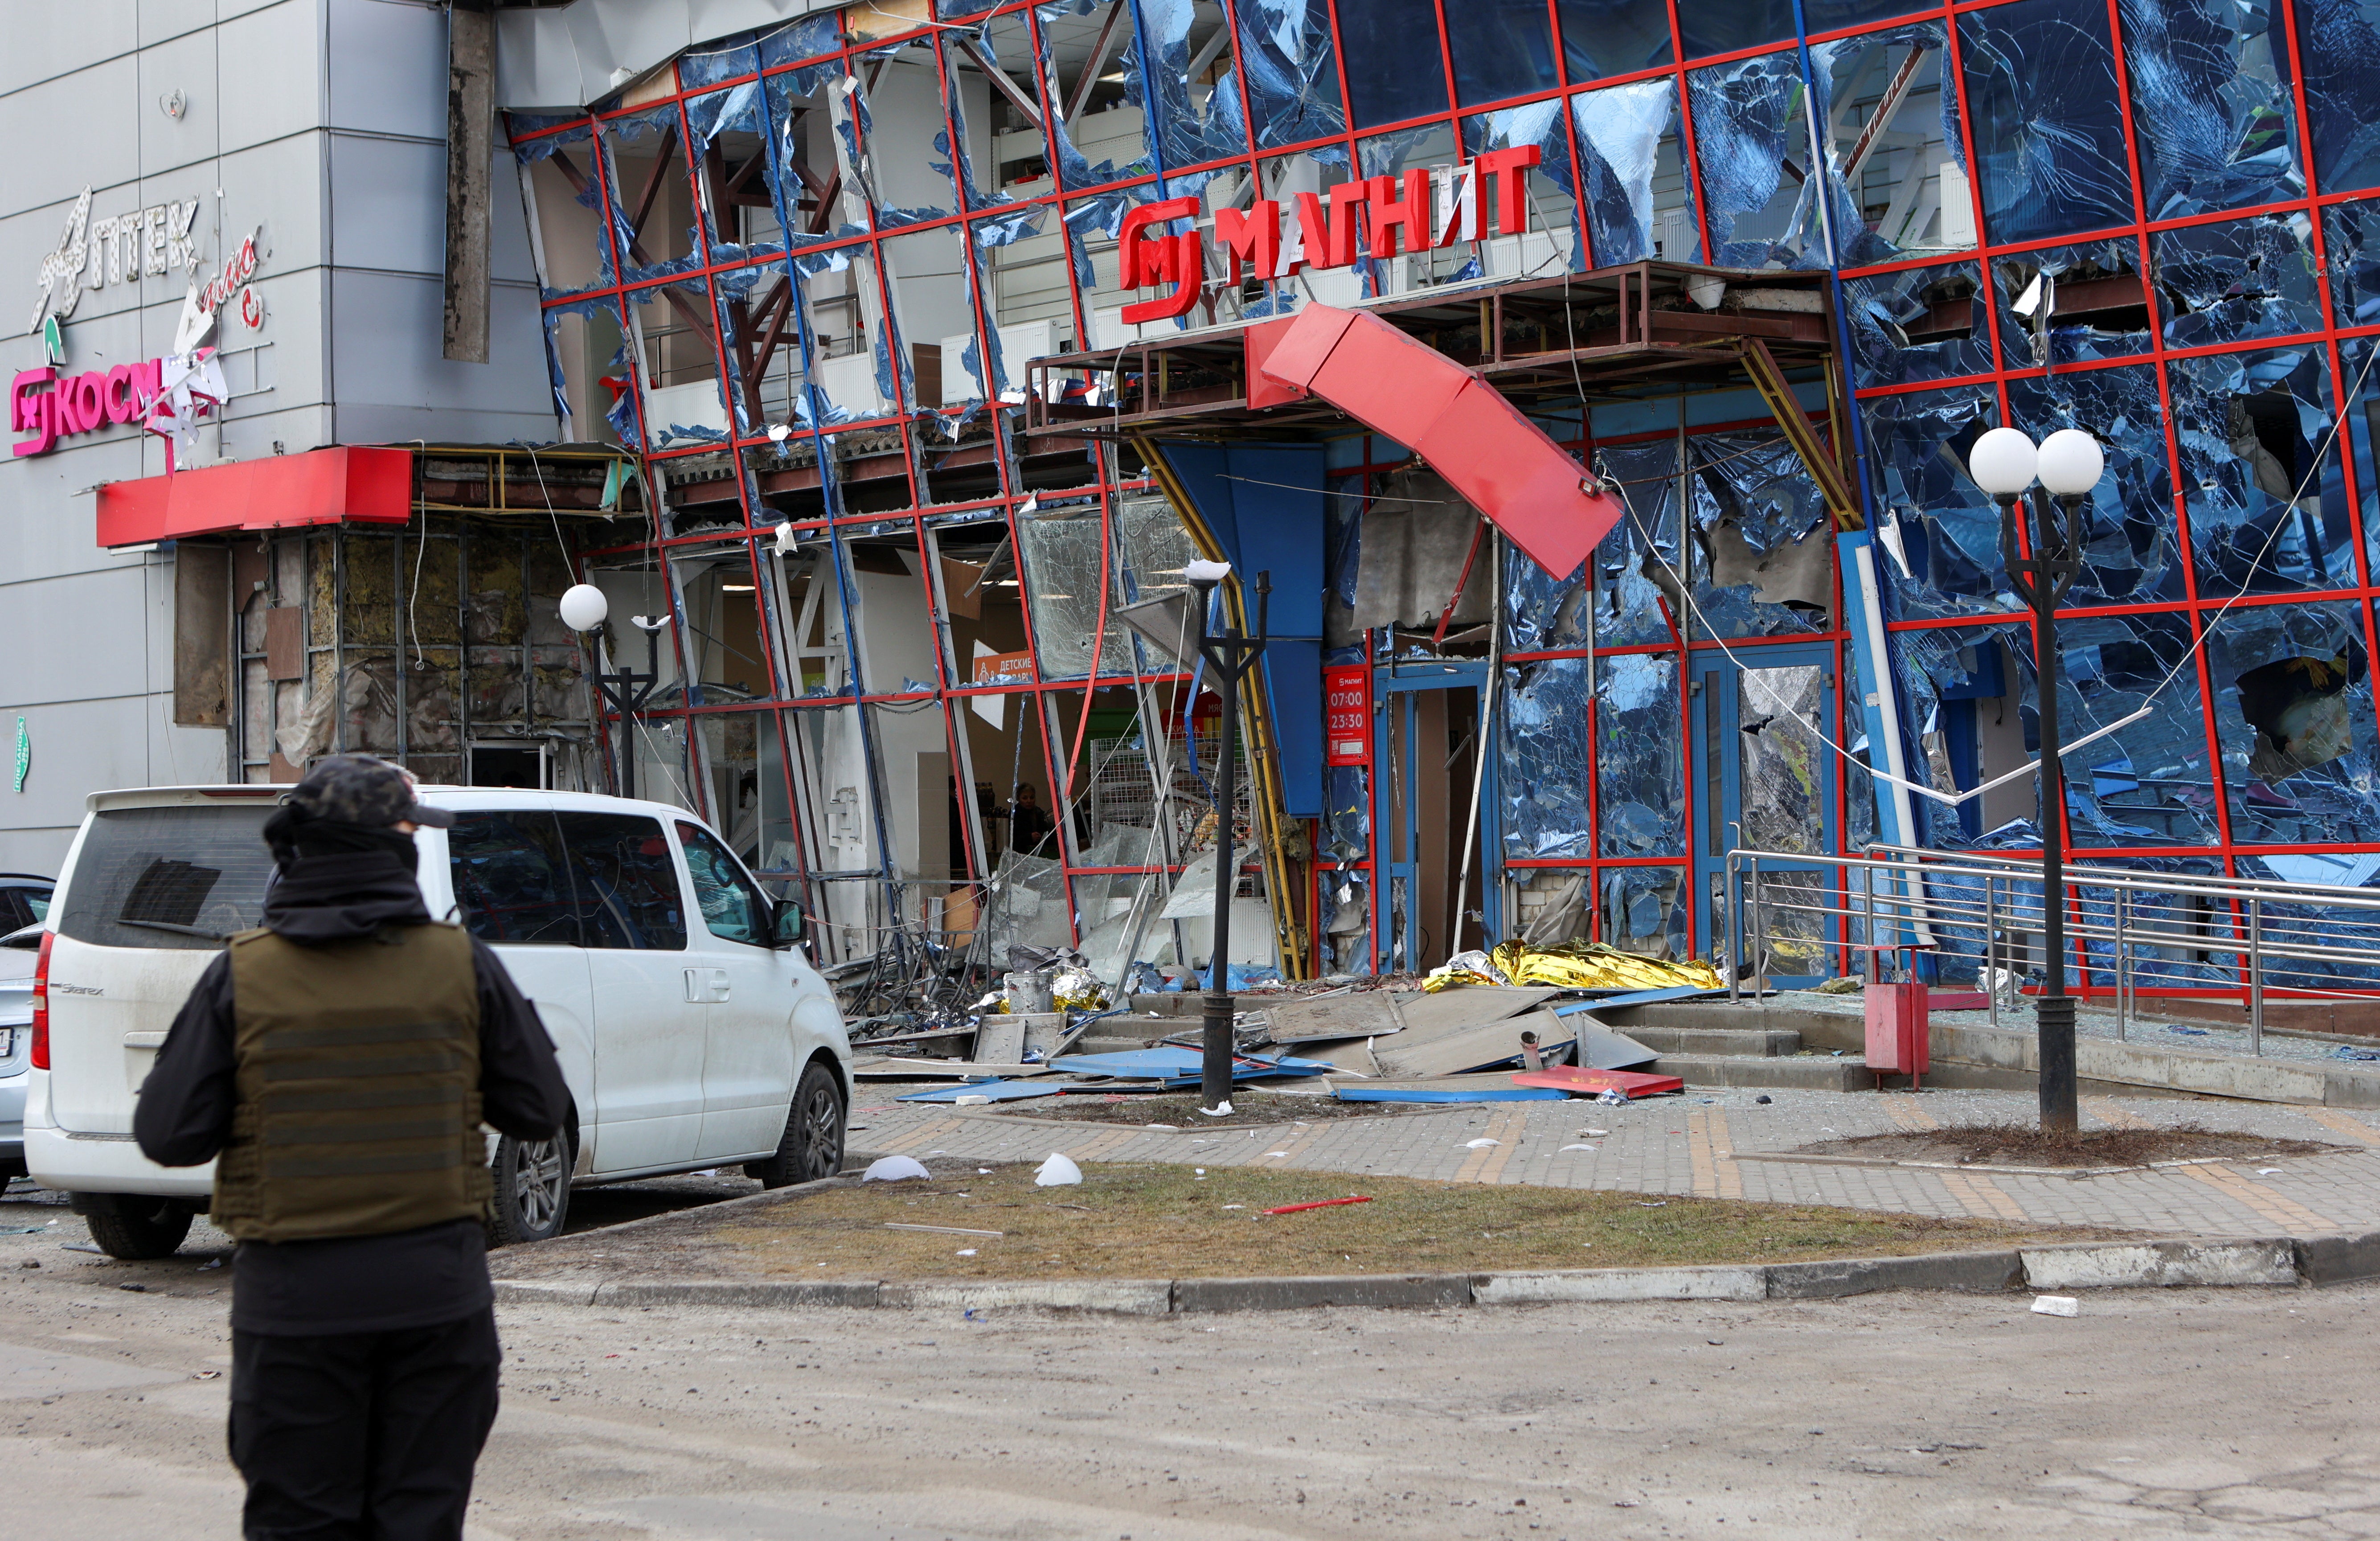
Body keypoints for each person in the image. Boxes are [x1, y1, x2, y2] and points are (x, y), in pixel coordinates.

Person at [135, 755, 572, 1541]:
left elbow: (168, 1134)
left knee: (300, 1523)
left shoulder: (242, 973)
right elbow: (538, 1107)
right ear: (394, 848)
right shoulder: (461, 963)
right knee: (419, 1519)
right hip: (436, 1299)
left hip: (295, 1305)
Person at [1007, 782, 1054, 857]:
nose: (1029, 801)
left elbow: (1047, 834)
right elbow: (1011, 838)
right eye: (1025, 798)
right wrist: (1029, 837)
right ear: (1019, 799)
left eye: (1032, 798)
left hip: (1038, 855)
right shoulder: (1014, 814)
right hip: (1019, 856)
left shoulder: (1038, 813)